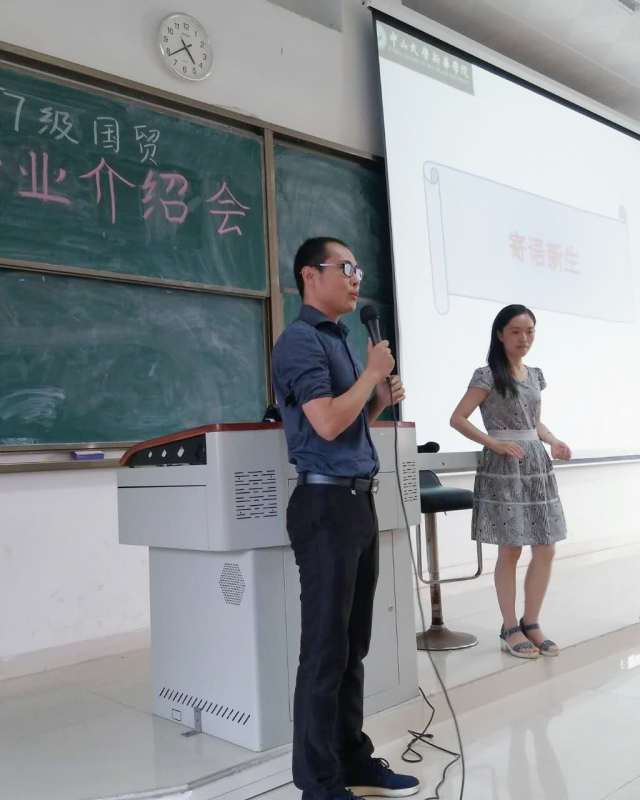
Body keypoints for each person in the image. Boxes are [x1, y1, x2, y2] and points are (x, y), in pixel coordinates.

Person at [272, 237, 420, 800]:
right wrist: (370, 374)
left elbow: (350, 420)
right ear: (310, 275)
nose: (356, 278)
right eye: (346, 267)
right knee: (325, 650)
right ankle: (319, 783)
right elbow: (327, 424)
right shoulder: (299, 341)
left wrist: (378, 397)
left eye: (357, 269)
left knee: (353, 645)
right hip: (325, 506)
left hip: (357, 502)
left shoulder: (339, 339)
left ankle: (352, 758)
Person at [450, 304, 571, 659]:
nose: (524, 338)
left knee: (546, 546)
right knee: (511, 548)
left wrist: (554, 441)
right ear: (500, 334)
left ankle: (531, 622)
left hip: (535, 464)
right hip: (504, 465)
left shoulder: (535, 375)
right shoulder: (487, 375)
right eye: (516, 331)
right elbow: (458, 418)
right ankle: (509, 627)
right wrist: (494, 443)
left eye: (529, 331)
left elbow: (534, 422)